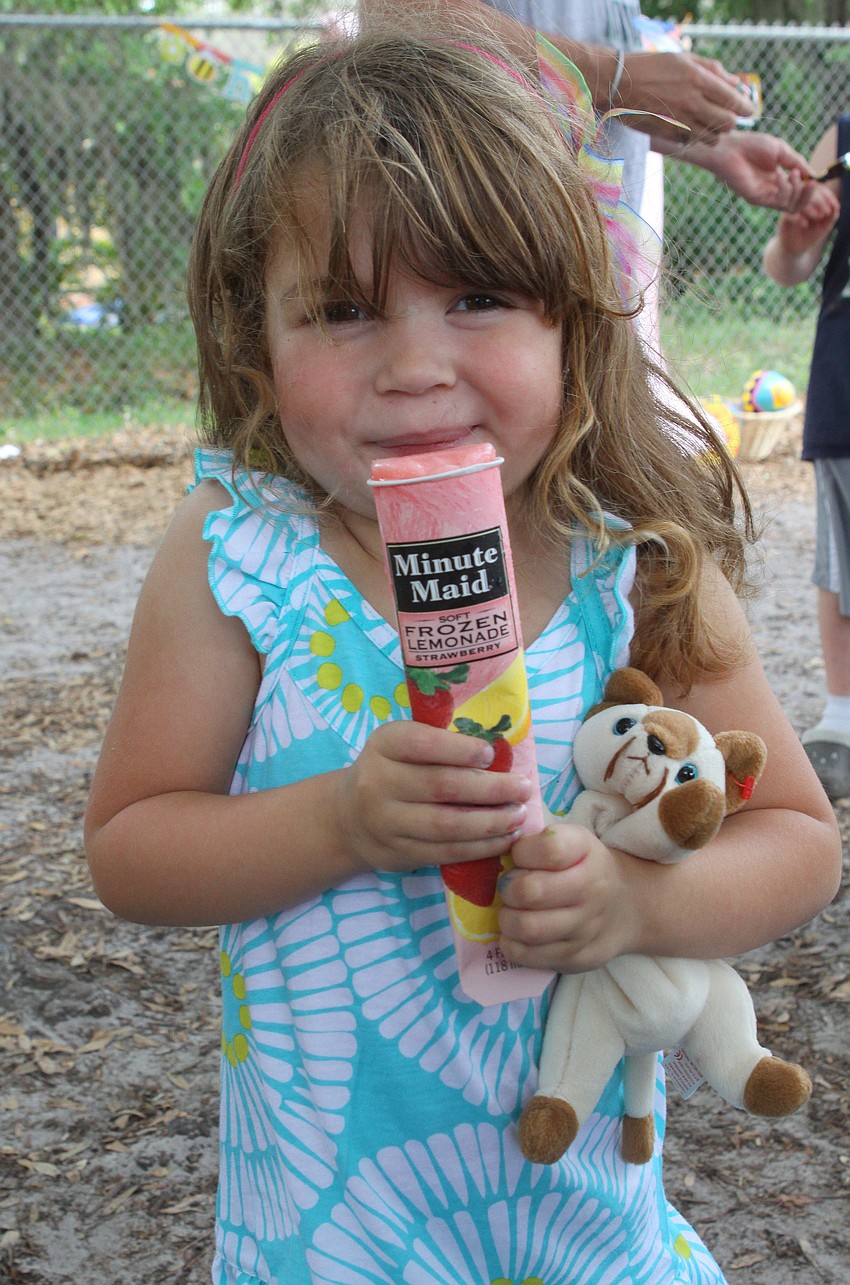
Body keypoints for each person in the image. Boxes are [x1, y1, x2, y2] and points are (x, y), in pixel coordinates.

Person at [84, 32, 841, 1285]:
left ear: (571, 315)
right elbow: (129, 847)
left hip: (590, 1240)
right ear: (255, 334)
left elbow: (798, 842)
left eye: (477, 296)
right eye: (343, 309)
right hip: (329, 1243)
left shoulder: (630, 564)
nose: (415, 367)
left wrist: (636, 902)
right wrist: (340, 820)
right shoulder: (239, 558)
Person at [361, 0, 812, 215]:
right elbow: (397, 13)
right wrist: (612, 76)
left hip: (603, 281)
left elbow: (601, 99)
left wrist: (718, 149)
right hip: (487, 259)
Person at [764, 122, 848, 800]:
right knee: (842, 563)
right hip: (846, 382)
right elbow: (787, 265)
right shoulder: (842, 139)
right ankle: (841, 720)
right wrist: (796, 242)